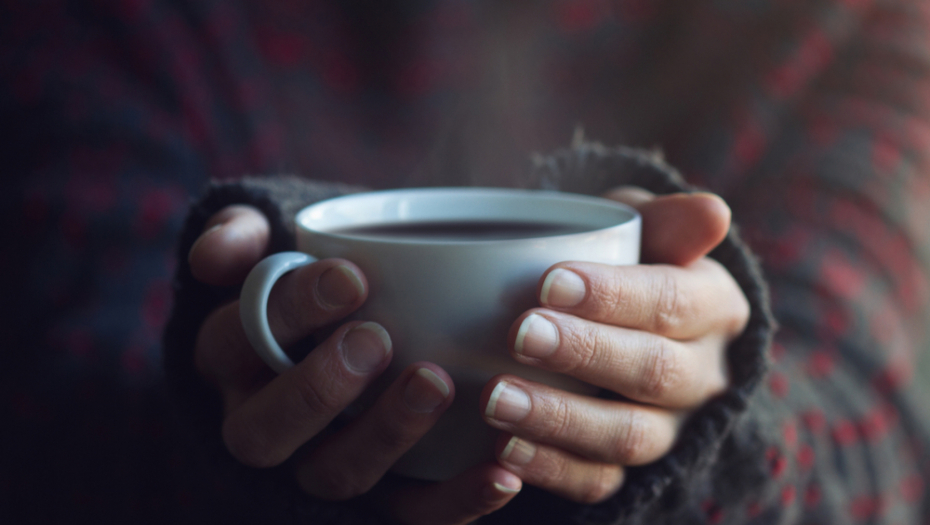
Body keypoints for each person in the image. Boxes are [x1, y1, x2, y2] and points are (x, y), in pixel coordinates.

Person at [4, 0, 929, 524]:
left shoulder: (855, 23)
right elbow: (50, 419)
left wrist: (716, 427)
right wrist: (220, 392)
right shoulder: (115, 23)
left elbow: (876, 428)